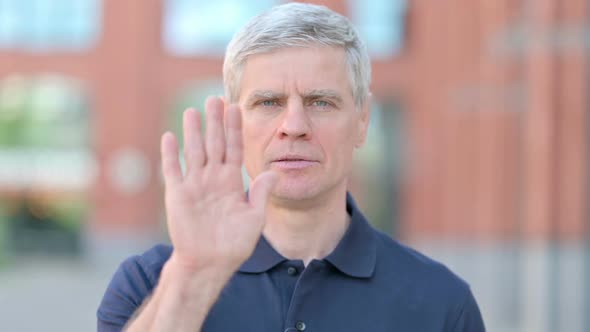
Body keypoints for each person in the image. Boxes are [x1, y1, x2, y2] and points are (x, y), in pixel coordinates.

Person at [97, 2, 486, 331]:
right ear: (235, 121)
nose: (294, 127)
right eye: (268, 102)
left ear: (362, 121)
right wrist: (194, 274)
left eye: (321, 102)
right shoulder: (147, 283)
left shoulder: (442, 304)